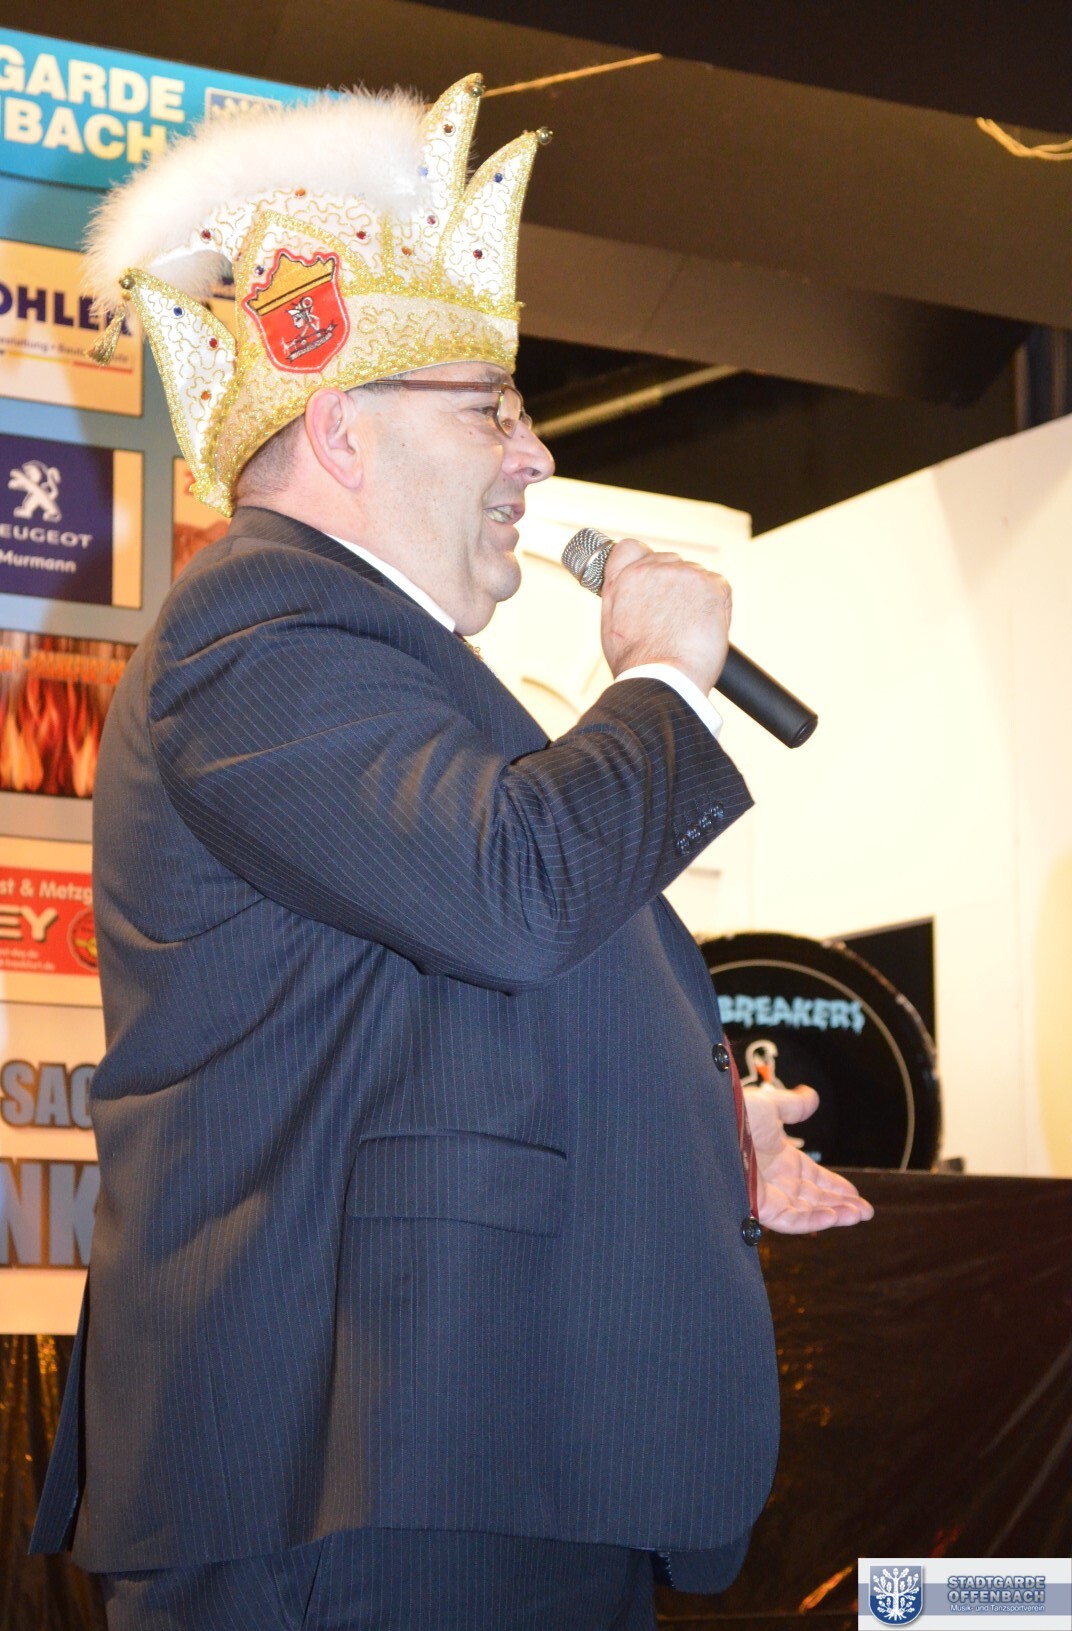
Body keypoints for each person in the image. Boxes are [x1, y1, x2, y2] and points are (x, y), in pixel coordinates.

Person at [31, 73, 871, 1630]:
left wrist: (699, 1133)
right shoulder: (257, 628)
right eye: (492, 406)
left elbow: (449, 1004)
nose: (535, 455)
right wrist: (660, 681)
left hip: (468, 1452)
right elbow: (514, 894)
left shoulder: (382, 667)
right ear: (340, 432)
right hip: (362, 1474)